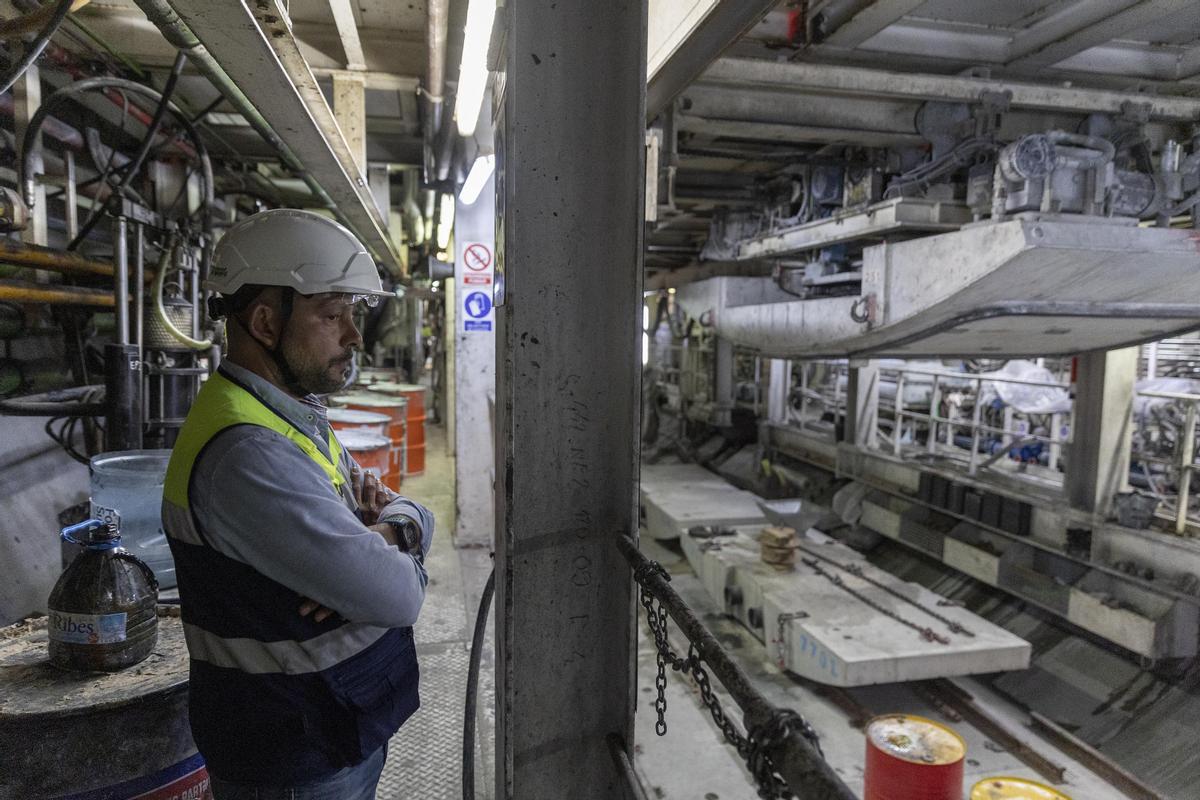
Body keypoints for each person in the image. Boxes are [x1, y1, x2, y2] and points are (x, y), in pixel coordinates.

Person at [162, 209, 432, 800]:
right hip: (295, 755)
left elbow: (404, 510)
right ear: (264, 321)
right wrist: (386, 538)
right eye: (334, 315)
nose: (354, 336)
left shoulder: (291, 415)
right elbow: (401, 595)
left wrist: (393, 530)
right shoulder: (249, 453)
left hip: (335, 724)